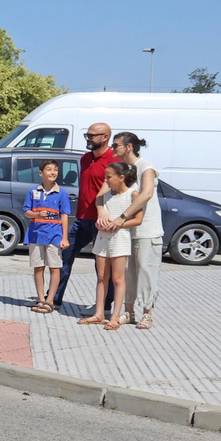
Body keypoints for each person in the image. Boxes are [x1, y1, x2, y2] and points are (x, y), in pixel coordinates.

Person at [53, 122, 119, 312]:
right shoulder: (85, 158)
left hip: (103, 220)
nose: (88, 139)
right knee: (64, 256)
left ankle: (105, 306)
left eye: (92, 136)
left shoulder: (113, 160)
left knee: (103, 267)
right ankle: (54, 299)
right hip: (82, 219)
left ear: (105, 137)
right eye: (87, 136)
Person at [79, 161, 143, 331]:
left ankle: (115, 316)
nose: (106, 180)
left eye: (109, 177)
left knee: (117, 278)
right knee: (101, 276)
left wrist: (118, 224)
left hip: (120, 239)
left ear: (121, 178)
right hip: (103, 237)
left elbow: (138, 220)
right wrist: (100, 222)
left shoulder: (132, 194)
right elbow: (99, 202)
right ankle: (99, 313)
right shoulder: (106, 195)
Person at [109, 132, 162, 329]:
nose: (113, 149)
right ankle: (129, 312)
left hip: (147, 229)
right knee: (127, 272)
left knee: (146, 271)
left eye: (116, 145)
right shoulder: (122, 169)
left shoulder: (145, 167)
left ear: (128, 147)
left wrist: (122, 216)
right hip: (126, 230)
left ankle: (147, 313)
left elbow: (147, 193)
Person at [23, 160, 72, 313]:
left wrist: (64, 238)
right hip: (36, 235)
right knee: (38, 267)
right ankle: (40, 299)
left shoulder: (61, 193)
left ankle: (50, 300)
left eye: (55, 170)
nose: (53, 172)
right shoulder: (33, 191)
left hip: (54, 236)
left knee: (55, 267)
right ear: (40, 173)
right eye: (49, 169)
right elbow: (27, 211)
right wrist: (36, 214)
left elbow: (64, 216)